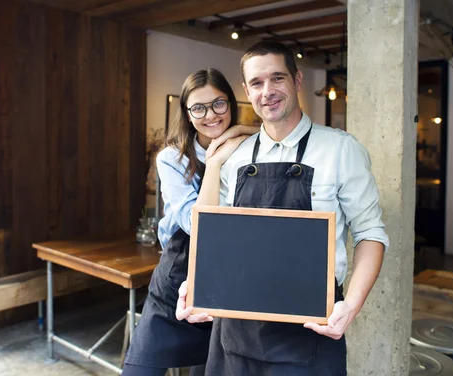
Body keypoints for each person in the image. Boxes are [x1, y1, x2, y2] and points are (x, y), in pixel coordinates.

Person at [176, 41, 390, 375]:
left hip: (309, 330)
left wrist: (352, 305)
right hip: (236, 331)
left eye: (277, 78)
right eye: (257, 83)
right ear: (247, 90)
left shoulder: (340, 150)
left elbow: (370, 234)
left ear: (297, 80)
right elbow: (217, 238)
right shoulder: (236, 156)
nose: (268, 91)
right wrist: (197, 284)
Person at [122, 68, 258, 376]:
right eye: (198, 107)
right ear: (187, 112)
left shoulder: (248, 150)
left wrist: (242, 134)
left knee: (211, 367)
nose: (210, 115)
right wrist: (215, 160)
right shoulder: (172, 158)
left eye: (218, 104)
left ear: (231, 104)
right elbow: (197, 225)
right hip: (179, 269)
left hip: (227, 274)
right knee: (140, 367)